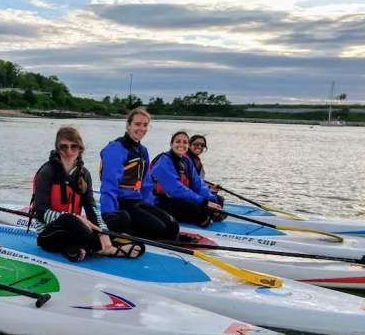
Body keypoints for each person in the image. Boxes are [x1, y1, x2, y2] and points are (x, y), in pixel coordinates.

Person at [32, 126, 144, 261]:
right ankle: (108, 250)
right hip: (50, 234)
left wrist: (102, 232)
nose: (69, 151)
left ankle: (80, 246)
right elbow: (41, 213)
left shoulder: (84, 174)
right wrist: (77, 218)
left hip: (76, 230)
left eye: (74, 147)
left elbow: (91, 208)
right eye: (64, 147)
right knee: (69, 219)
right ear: (57, 148)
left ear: (80, 149)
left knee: (123, 216)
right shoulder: (47, 172)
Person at [98, 108, 179, 240]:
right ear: (128, 125)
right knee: (159, 229)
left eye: (145, 125)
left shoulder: (143, 151)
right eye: (137, 124)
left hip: (136, 201)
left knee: (172, 226)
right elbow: (109, 185)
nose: (141, 128)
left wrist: (149, 209)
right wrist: (109, 215)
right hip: (120, 204)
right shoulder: (115, 149)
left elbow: (146, 184)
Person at [151, 131, 224, 227]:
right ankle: (203, 218)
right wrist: (205, 202)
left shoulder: (186, 161)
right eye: (178, 141)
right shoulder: (163, 162)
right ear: (171, 144)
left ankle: (209, 215)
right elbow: (176, 190)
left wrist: (211, 199)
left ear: (188, 145)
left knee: (218, 200)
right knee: (193, 207)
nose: (181, 145)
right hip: (161, 202)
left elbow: (198, 184)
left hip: (178, 199)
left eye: (185, 142)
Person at [187, 134, 225, 204]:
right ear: (189, 145)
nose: (199, 147)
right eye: (196, 144)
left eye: (202, 145)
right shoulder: (185, 159)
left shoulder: (197, 161)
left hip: (195, 190)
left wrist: (210, 188)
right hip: (188, 193)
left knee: (219, 199)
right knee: (218, 200)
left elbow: (199, 181)